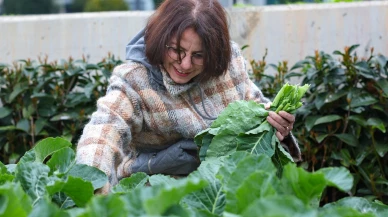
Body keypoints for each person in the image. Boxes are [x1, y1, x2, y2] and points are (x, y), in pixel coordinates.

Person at [76, 0, 301, 194]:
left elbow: (255, 107)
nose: (184, 64)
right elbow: (102, 132)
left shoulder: (229, 64)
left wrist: (275, 124)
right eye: (176, 50)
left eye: (198, 55)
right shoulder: (134, 80)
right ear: (160, 38)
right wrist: (90, 189)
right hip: (155, 199)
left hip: (223, 192)